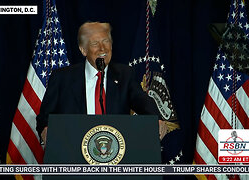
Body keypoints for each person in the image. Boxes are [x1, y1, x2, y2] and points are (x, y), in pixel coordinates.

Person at [36, 22, 167, 144]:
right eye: (95, 44)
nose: (102, 48)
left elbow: (142, 101)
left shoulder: (124, 75)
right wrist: (46, 130)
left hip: (114, 153)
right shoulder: (62, 78)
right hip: (73, 151)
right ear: (83, 50)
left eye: (106, 41)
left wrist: (157, 119)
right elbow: (45, 117)